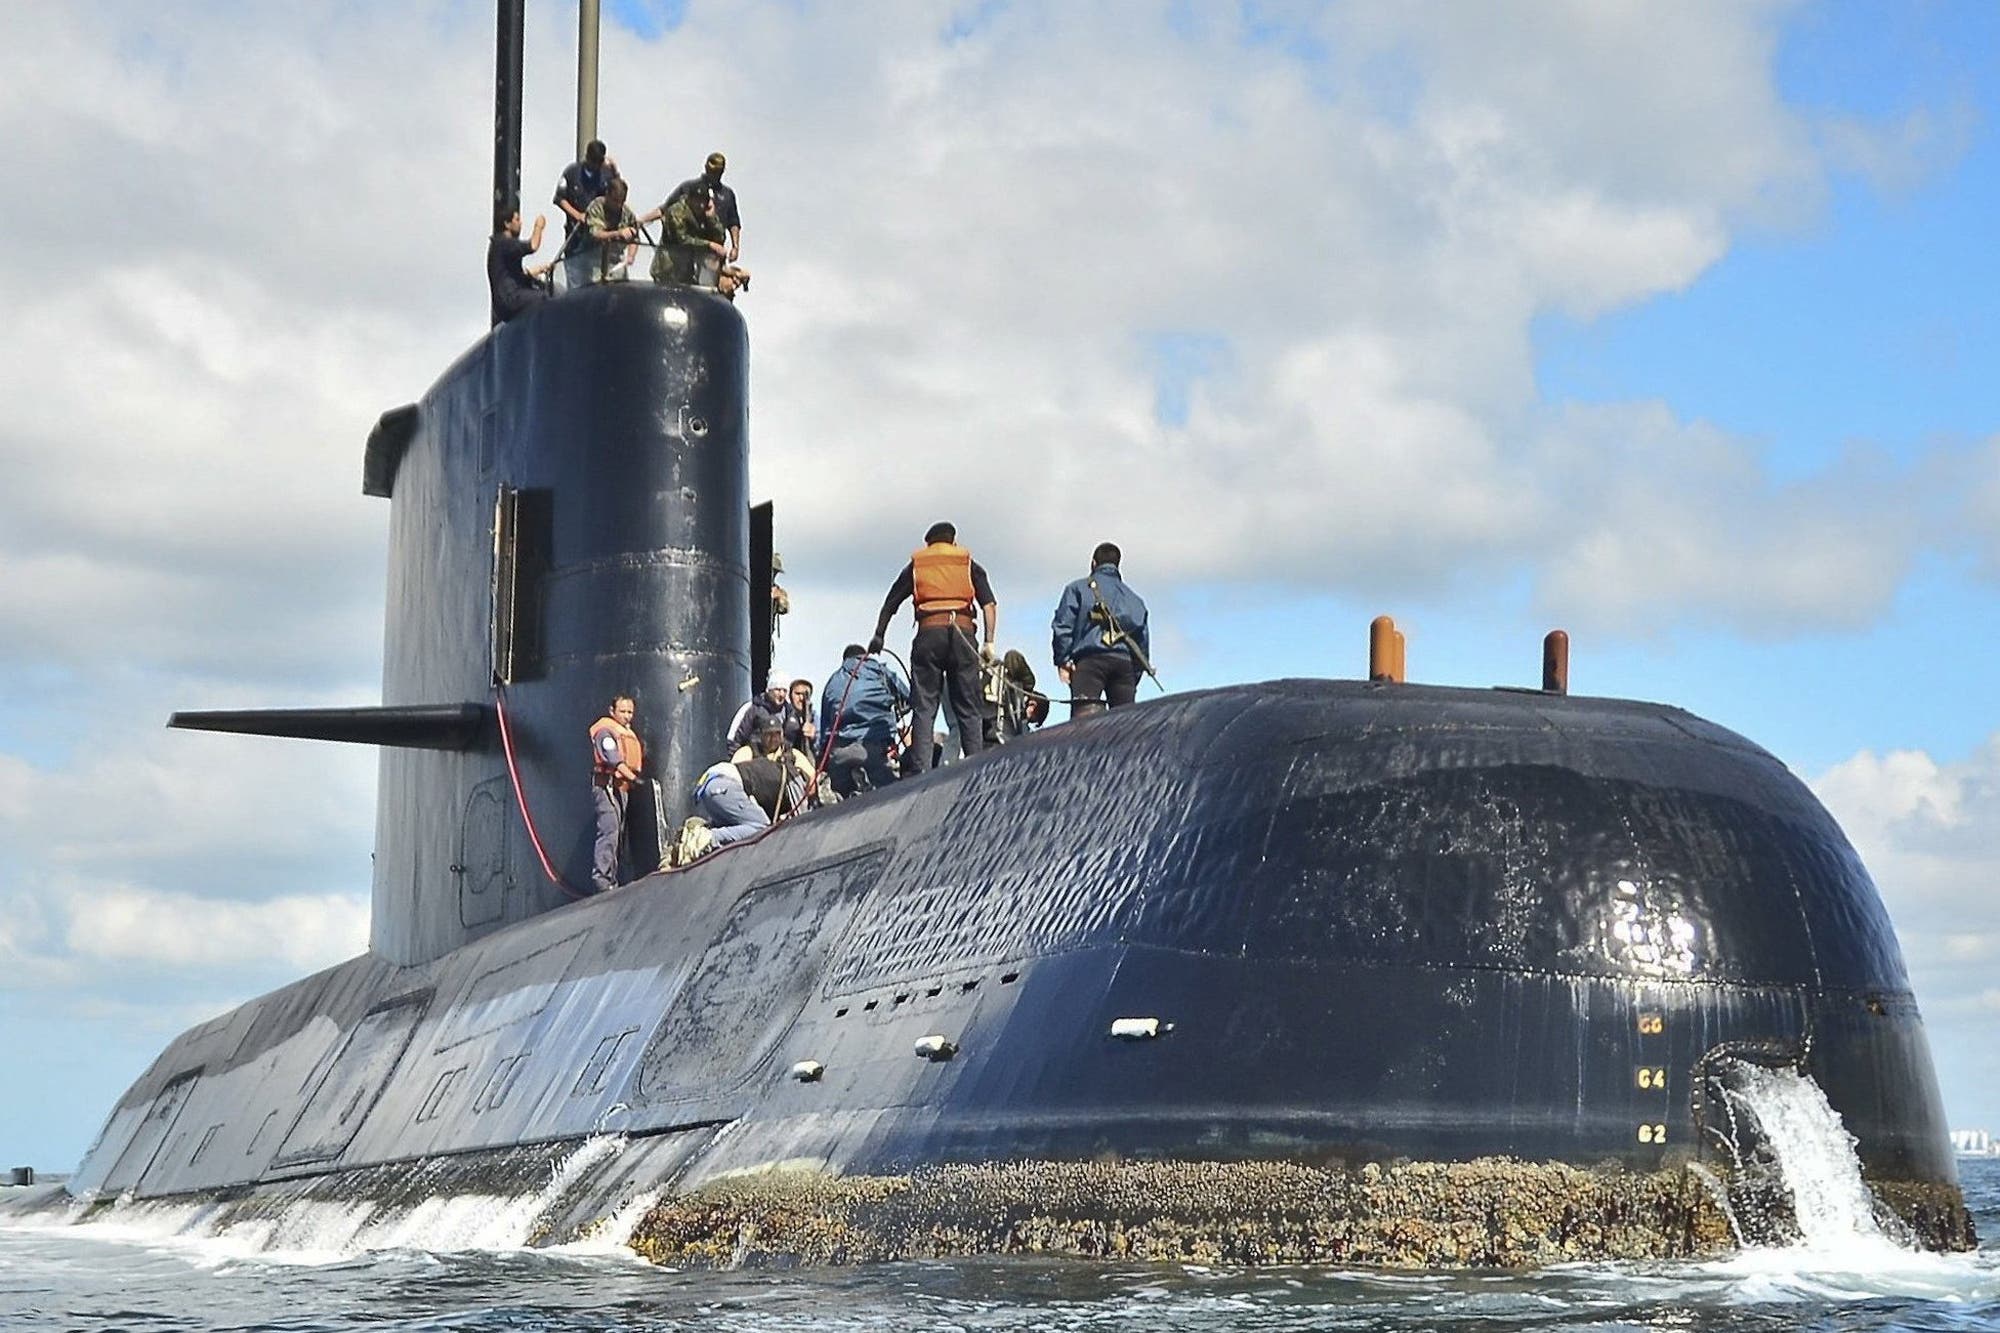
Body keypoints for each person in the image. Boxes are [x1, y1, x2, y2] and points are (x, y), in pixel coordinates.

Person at [870, 521, 997, 774]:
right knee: (969, 706)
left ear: (929, 542)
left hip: (929, 635)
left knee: (925, 707)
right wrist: (989, 642)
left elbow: (890, 602)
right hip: (963, 634)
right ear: (953, 540)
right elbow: (989, 605)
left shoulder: (919, 564)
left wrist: (879, 636)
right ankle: (976, 767)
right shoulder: (967, 562)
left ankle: (921, 772)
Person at [1051, 542, 1151, 716]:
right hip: (1124, 665)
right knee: (1124, 726)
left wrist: (1063, 660)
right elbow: (1142, 644)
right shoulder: (1136, 600)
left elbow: (1063, 627)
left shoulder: (1077, 589)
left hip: (1090, 663)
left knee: (1084, 727)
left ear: (1093, 563)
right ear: (1118, 566)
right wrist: (1133, 675)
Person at [820, 644, 911, 796]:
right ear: (866, 657)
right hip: (873, 750)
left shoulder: (832, 682)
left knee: (840, 800)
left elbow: (824, 728)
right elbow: (908, 696)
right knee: (892, 796)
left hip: (839, 755)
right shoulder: (878, 671)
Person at [644, 187, 750, 297]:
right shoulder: (676, 212)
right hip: (667, 269)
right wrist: (709, 245)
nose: (700, 205)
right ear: (691, 199)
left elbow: (720, 237)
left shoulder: (704, 213)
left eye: (704, 201)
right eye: (698, 201)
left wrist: (712, 218)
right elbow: (682, 240)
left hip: (688, 273)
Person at [588, 695, 644, 892]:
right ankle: (602, 879)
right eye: (623, 712)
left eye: (630, 712)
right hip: (607, 787)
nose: (627, 717)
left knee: (617, 832)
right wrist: (634, 778)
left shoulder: (625, 732)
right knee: (609, 829)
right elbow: (613, 759)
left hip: (621, 788)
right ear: (612, 711)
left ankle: (612, 878)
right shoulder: (605, 731)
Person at [731, 714, 829, 814]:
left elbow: (813, 775)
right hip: (757, 807)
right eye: (769, 734)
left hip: (785, 809)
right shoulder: (748, 752)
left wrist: (812, 784)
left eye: (777, 734)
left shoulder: (791, 755)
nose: (773, 738)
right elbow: (731, 774)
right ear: (761, 735)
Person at [553, 139, 617, 290]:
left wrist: (615, 171)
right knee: (576, 277)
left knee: (598, 280)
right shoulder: (571, 172)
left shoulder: (607, 175)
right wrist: (578, 215)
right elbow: (559, 199)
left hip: (599, 237)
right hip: (576, 235)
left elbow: (618, 195)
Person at [664, 151, 743, 264]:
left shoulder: (727, 194)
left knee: (727, 280)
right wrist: (642, 220)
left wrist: (735, 247)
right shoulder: (689, 187)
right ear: (706, 167)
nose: (714, 175)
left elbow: (733, 221)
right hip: (688, 251)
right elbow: (665, 209)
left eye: (718, 172)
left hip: (713, 254)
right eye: (712, 171)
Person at [487, 203, 552, 327]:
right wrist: (539, 226)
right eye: (517, 220)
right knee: (546, 298)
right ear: (507, 224)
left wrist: (539, 269)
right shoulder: (504, 243)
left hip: (503, 302)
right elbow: (533, 245)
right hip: (511, 298)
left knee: (543, 288)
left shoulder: (498, 246)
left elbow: (513, 274)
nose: (520, 223)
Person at [582, 177, 640, 283]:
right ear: (607, 194)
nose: (618, 205)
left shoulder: (626, 213)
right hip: (593, 262)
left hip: (617, 264)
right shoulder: (597, 207)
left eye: (621, 201)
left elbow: (635, 238)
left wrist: (631, 256)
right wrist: (618, 233)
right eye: (615, 201)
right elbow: (596, 233)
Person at [725, 674, 790, 752]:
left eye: (784, 691)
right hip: (754, 756)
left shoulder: (788, 711)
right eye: (778, 690)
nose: (781, 694)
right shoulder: (751, 708)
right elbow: (734, 738)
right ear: (769, 690)